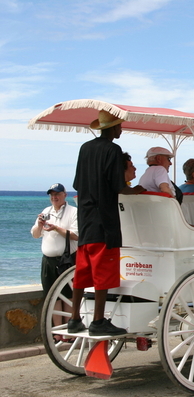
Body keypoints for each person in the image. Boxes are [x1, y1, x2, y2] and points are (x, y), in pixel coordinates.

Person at [68, 110, 145, 336]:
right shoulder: (113, 149)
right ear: (111, 128)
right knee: (103, 273)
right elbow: (117, 186)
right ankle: (98, 321)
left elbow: (78, 183)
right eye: (119, 126)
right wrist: (134, 190)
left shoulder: (85, 148)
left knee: (82, 272)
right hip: (104, 220)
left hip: (86, 218)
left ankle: (74, 319)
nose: (121, 129)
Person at [30, 183, 78, 295]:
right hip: (48, 262)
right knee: (51, 296)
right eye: (51, 194)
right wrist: (40, 225)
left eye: (57, 194)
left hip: (67, 261)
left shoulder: (73, 212)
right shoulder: (46, 211)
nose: (54, 197)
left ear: (65, 195)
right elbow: (35, 235)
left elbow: (75, 236)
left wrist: (56, 228)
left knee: (69, 296)